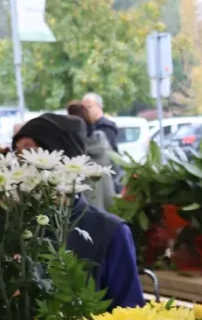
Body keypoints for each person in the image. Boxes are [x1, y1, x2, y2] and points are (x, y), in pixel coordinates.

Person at [13, 112, 144, 309]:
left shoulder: (109, 232)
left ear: (60, 157)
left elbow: (131, 312)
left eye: (29, 153)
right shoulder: (11, 227)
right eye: (18, 156)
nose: (20, 167)